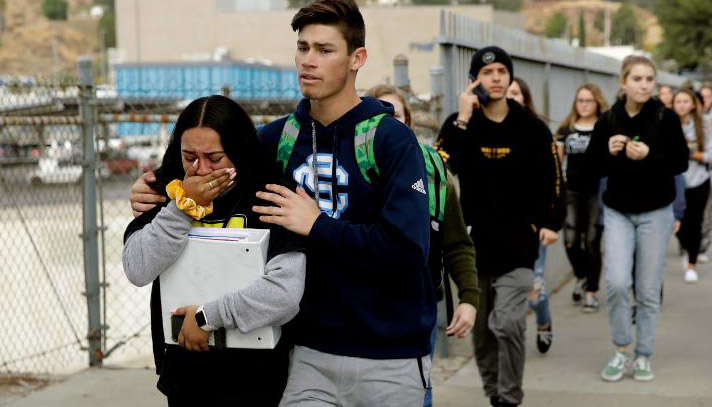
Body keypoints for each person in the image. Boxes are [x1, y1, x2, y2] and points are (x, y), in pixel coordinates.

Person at [251, 1, 434, 405]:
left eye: (324, 50)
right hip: (308, 355)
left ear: (357, 58)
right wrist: (160, 192)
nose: (308, 60)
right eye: (303, 48)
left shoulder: (391, 141)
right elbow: (212, 177)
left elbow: (407, 249)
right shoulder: (276, 139)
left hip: (390, 358)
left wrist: (318, 225)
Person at [122, 95, 307, 406]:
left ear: (238, 152)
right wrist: (182, 207)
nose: (201, 169)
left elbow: (284, 294)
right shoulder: (165, 191)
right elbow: (137, 269)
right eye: (189, 157)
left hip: (256, 376)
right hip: (186, 374)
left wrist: (206, 318)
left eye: (215, 158)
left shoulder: (270, 196)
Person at [436, 46, 564, 407]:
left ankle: (509, 397)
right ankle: (494, 392)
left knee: (507, 323)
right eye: (487, 73)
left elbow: (555, 180)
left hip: (519, 245)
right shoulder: (461, 123)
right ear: (474, 80)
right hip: (475, 246)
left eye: (501, 72)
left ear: (509, 77)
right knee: (482, 334)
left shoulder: (532, 127)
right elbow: (438, 166)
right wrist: (463, 119)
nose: (495, 78)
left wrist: (550, 222)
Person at [365, 84, 480, 407]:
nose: (388, 124)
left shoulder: (434, 170)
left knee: (416, 393)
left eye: (395, 116)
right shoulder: (350, 171)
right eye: (379, 116)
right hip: (361, 307)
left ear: (409, 122)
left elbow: (456, 243)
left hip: (418, 306)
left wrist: (469, 299)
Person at [587, 55, 688, 383]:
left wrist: (650, 155)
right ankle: (621, 349)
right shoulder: (609, 119)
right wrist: (608, 150)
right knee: (617, 283)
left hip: (656, 213)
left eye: (649, 79)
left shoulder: (664, 117)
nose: (644, 85)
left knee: (647, 289)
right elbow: (591, 167)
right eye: (637, 79)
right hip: (618, 211)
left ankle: (643, 354)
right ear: (623, 82)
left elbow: (680, 162)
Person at [507, 77, 564, 354]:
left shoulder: (537, 131)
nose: (510, 97)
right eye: (506, 92)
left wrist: (552, 223)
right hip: (501, 224)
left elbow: (556, 181)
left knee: (534, 284)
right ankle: (510, 339)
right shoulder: (486, 131)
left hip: (533, 223)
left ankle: (543, 319)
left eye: (515, 92)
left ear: (524, 98)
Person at [556, 83, 609, 312]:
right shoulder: (566, 128)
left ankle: (591, 292)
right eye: (580, 100)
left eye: (589, 100)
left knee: (592, 242)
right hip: (572, 193)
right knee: (570, 241)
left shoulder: (604, 126)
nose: (584, 105)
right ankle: (581, 275)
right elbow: (557, 163)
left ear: (597, 102)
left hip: (597, 193)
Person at [672, 88, 712, 283]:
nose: (681, 105)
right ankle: (687, 248)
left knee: (694, 222)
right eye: (678, 101)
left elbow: (709, 155)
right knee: (677, 225)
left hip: (698, 181)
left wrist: (692, 153)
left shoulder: (704, 126)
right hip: (674, 182)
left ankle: (691, 265)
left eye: (685, 101)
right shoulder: (667, 125)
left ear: (693, 104)